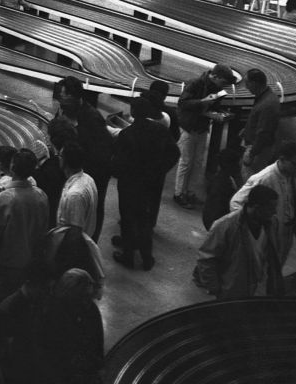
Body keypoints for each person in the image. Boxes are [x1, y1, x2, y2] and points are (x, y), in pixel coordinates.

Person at [112, 96, 181, 270]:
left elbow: (118, 163)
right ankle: (147, 257)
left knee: (128, 219)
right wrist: (160, 170)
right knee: (144, 220)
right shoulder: (160, 130)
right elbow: (174, 152)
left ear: (133, 113)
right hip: (150, 184)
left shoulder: (127, 134)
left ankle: (128, 255)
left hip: (130, 184)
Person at [0, 148, 49, 309]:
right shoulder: (41, 196)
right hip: (29, 263)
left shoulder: (5, 198)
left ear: (12, 167)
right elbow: (42, 231)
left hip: (4, 264)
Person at [195, 184, 284, 299]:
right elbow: (206, 259)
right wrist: (216, 289)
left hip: (259, 291)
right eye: (271, 208)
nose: (274, 212)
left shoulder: (271, 223)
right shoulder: (226, 226)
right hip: (232, 293)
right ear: (256, 207)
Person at [53, 76, 113, 241]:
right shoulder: (65, 110)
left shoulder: (92, 119)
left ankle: (89, 242)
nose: (60, 99)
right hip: (76, 168)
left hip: (93, 172)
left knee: (93, 210)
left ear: (74, 96)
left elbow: (101, 153)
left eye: (63, 95)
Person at [230, 141, 296, 269]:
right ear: (282, 159)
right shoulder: (265, 178)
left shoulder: (293, 174)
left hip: (287, 230)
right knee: (262, 269)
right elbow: (236, 202)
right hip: (268, 232)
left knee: (276, 267)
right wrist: (252, 228)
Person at [173, 63, 234, 209]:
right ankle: (179, 193)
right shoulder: (195, 83)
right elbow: (182, 103)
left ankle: (190, 192)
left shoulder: (216, 88)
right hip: (188, 126)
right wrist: (202, 102)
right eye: (223, 82)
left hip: (201, 127)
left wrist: (218, 113)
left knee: (198, 162)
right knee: (186, 162)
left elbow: (213, 106)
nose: (223, 86)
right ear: (215, 76)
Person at [44, 268, 105, 384]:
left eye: (88, 297)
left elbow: (97, 342)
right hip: (64, 378)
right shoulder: (53, 315)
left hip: (85, 375)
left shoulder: (90, 310)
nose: (86, 302)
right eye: (82, 297)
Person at [241, 68, 280, 176]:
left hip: (258, 150)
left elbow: (264, 133)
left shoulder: (267, 105)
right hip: (258, 146)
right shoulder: (265, 97)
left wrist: (251, 154)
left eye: (247, 83)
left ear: (254, 83)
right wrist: (247, 130)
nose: (246, 87)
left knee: (250, 177)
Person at [202, 150, 244, 231]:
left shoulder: (221, 177)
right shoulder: (224, 183)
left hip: (211, 219)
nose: (239, 166)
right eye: (237, 164)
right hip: (216, 222)